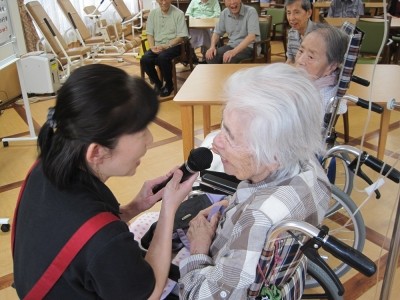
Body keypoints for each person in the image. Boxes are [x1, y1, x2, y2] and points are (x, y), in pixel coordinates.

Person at [12, 64, 197, 299]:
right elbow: (149, 293)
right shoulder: (105, 242)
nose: (149, 141)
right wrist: (169, 209)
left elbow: (76, 238)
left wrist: (133, 208)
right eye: (141, 133)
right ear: (96, 152)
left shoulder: (43, 169)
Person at [178, 63, 331, 299]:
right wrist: (229, 203)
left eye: (230, 136)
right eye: (223, 126)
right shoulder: (311, 166)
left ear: (273, 155)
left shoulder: (257, 219)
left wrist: (199, 247)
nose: (216, 143)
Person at [295, 23, 350, 114]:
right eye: (301, 51)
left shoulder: (318, 100)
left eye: (311, 57)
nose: (300, 60)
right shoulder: (315, 78)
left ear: (331, 67)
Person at [140, 0, 188, 97]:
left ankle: (169, 85)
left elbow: (181, 37)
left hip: (173, 45)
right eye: (161, 0)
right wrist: (152, 46)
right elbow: (149, 34)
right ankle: (158, 84)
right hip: (157, 46)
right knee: (145, 59)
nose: (164, 2)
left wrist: (166, 46)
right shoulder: (153, 14)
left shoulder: (179, 13)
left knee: (162, 57)